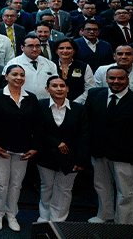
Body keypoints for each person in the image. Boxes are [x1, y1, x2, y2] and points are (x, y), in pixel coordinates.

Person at [0, 64, 41, 232]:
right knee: (1, 183)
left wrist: (35, 147)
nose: (18, 77)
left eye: (22, 75)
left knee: (16, 184)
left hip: (23, 149)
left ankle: (12, 214)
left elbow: (38, 125)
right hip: (1, 148)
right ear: (6, 76)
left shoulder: (31, 97)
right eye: (14, 74)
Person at [85, 66, 133, 224]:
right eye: (112, 78)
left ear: (128, 80)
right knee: (101, 187)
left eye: (121, 78)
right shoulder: (95, 95)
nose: (116, 81)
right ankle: (105, 214)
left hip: (126, 155)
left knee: (125, 193)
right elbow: (87, 124)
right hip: (99, 152)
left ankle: (123, 224)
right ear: (106, 79)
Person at [36, 76, 88, 223]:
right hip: (45, 154)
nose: (59, 89)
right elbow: (37, 130)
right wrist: (56, 142)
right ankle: (44, 218)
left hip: (70, 156)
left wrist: (81, 159)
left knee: (64, 189)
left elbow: (83, 135)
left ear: (67, 89)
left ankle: (58, 220)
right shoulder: (40, 105)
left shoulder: (78, 108)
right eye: (54, 86)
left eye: (62, 86)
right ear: (47, 89)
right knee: (47, 186)